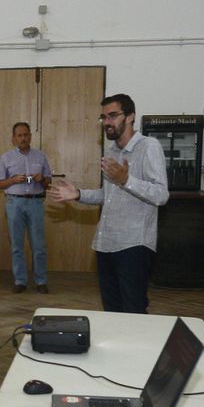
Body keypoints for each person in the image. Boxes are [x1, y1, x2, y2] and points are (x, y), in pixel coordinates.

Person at [48, 93, 170, 313]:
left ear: (131, 116)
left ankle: (135, 349)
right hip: (106, 243)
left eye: (112, 116)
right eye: (103, 117)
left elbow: (161, 195)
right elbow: (109, 196)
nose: (107, 122)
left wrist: (126, 180)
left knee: (133, 311)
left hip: (134, 245)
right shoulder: (111, 151)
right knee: (112, 311)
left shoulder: (148, 147)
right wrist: (77, 194)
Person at [0, 121, 54, 294]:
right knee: (17, 245)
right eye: (19, 135)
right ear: (14, 139)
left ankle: (41, 281)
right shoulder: (6, 158)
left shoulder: (40, 156)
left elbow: (49, 181)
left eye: (26, 134)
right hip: (15, 203)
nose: (23, 138)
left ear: (30, 136)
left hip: (35, 202)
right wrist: (13, 180)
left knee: (39, 245)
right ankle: (20, 281)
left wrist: (41, 179)